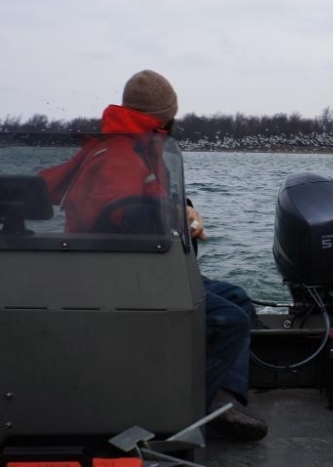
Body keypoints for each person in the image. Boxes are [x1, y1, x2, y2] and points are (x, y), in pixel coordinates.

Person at [39, 69, 267, 442]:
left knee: (237, 299)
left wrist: (185, 210)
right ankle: (184, 413)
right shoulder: (119, 155)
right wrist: (173, 221)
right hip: (122, 277)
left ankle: (224, 398)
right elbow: (119, 214)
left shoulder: (131, 144)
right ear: (165, 116)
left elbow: (56, 186)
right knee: (230, 321)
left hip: (141, 267)